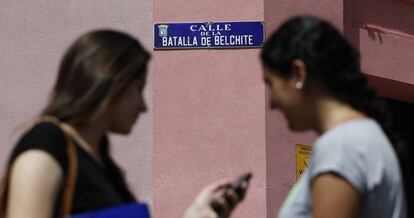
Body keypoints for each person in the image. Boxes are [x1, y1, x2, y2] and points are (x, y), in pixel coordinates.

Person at [0, 30, 248, 218]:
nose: (143, 106)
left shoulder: (99, 160)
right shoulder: (46, 143)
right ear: (111, 83)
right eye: (138, 89)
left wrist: (195, 214)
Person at [261, 16, 407, 217]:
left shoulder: (342, 146)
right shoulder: (357, 138)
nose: (272, 102)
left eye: (271, 84)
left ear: (298, 74)